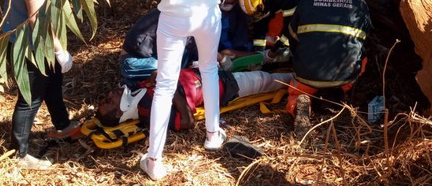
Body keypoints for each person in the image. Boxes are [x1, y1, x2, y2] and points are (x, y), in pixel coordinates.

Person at [141, 0, 244, 180]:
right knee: (209, 68)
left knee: (164, 85)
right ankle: (212, 134)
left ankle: (154, 161)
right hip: (207, 14)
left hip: (173, 16)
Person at [1, 0, 81, 170]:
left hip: (40, 42)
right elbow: (36, 16)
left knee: (52, 83)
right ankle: (20, 153)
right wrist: (58, 49)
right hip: (31, 45)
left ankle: (62, 125)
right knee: (31, 97)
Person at [284, 0, 372, 138]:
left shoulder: (307, 0)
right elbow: (365, 41)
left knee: (297, 91)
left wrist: (301, 58)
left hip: (306, 75)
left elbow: (292, 39)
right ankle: (345, 98)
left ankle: (300, 105)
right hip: (344, 76)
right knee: (364, 57)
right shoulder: (360, 3)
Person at [96, 68, 292, 131]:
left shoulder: (137, 92)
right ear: (120, 112)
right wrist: (171, 91)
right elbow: (188, 122)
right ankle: (301, 81)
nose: (110, 95)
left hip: (205, 69)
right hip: (225, 86)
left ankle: (284, 63)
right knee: (264, 79)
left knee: (257, 62)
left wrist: (158, 74)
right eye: (108, 101)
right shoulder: (150, 114)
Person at [119, 8, 198, 89]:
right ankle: (130, 85)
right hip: (132, 63)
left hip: (140, 59)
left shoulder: (174, 10)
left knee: (185, 58)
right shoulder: (175, 17)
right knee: (178, 65)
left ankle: (135, 83)